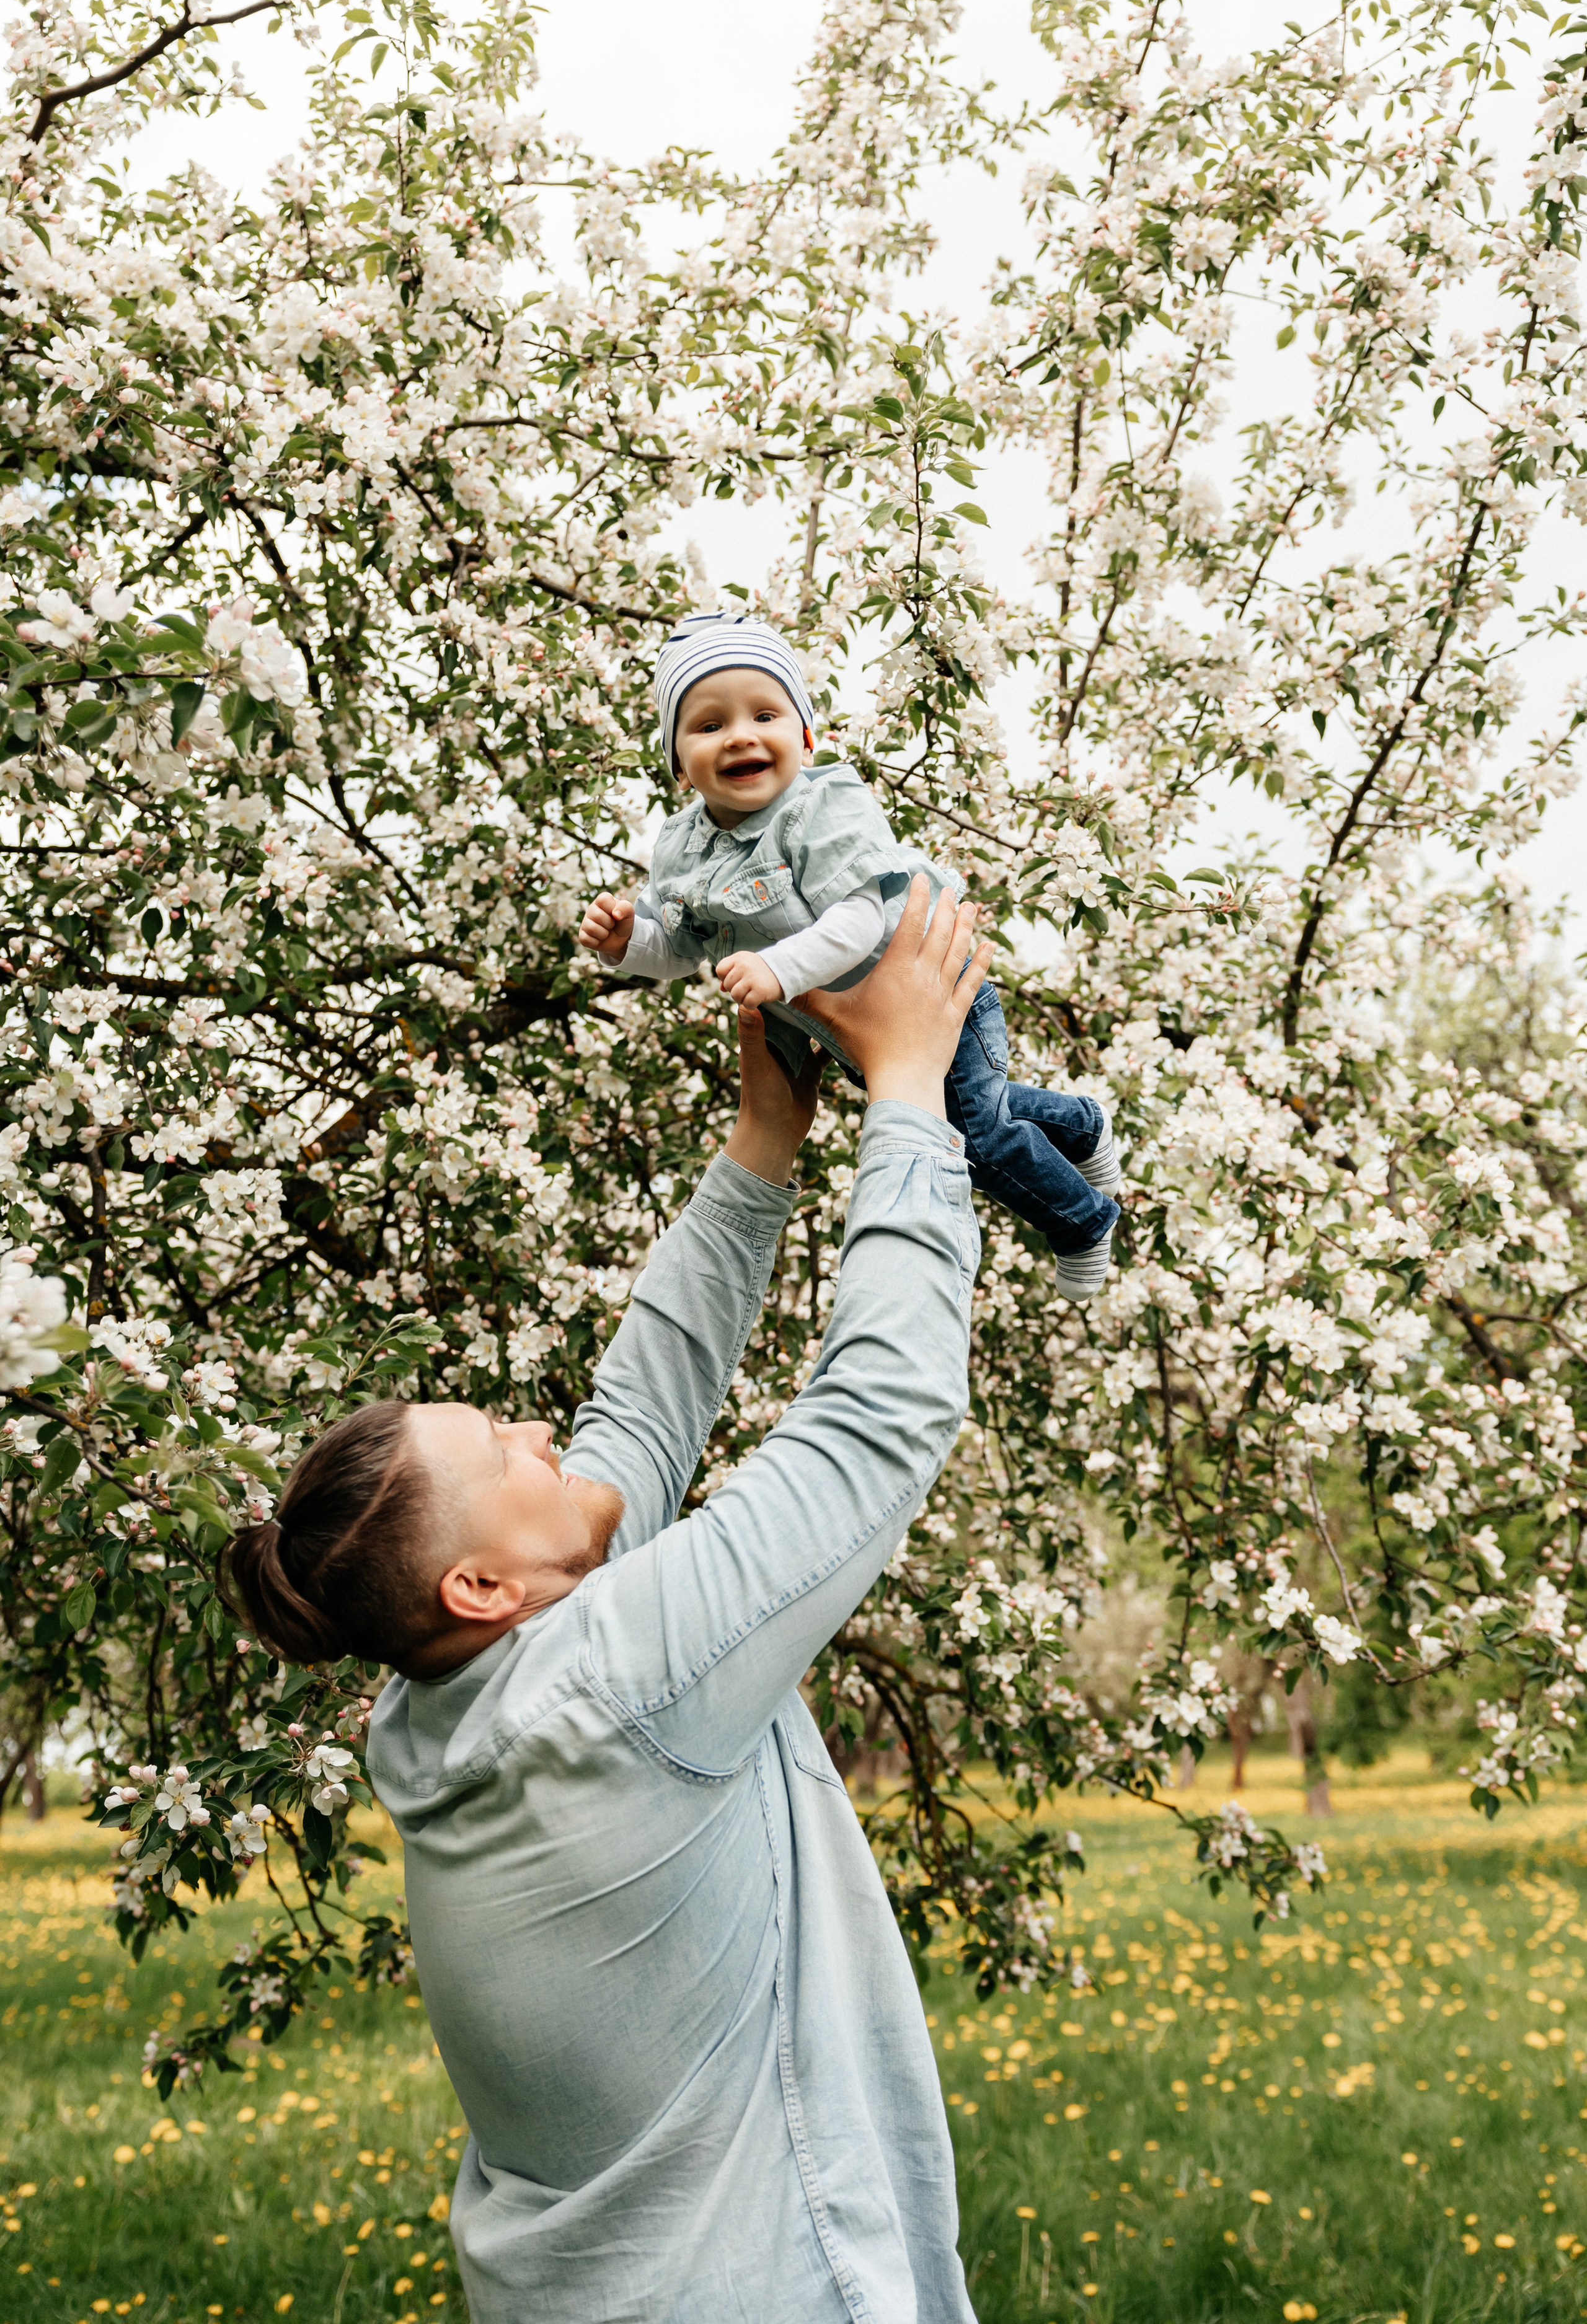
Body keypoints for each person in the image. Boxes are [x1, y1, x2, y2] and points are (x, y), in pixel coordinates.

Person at [226, 879, 991, 2323]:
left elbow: (632, 1423)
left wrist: (759, 1153)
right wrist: (907, 1093)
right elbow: (875, 1419)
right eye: (500, 1449)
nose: (534, 1430)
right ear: (480, 1581)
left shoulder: (449, 1690)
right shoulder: (603, 1688)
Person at [578, 608, 1121, 1298]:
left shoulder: (825, 804)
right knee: (966, 1107)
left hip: (932, 994)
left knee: (973, 1136)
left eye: (764, 715)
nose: (740, 734)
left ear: (805, 736)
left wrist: (777, 969)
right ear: (679, 765)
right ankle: (1084, 1125)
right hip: (855, 1030)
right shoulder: (681, 850)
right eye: (709, 725)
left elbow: (860, 919)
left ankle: (1081, 1221)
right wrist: (630, 943)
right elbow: (681, 948)